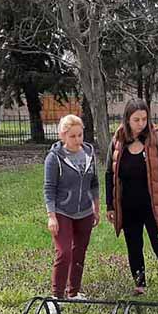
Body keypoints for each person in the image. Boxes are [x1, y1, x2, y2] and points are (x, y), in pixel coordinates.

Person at [105, 99, 158, 302]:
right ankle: (140, 287)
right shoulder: (117, 142)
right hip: (128, 207)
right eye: (136, 119)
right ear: (127, 120)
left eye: (144, 119)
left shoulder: (156, 141)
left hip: (153, 207)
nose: (141, 123)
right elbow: (108, 174)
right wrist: (110, 205)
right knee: (134, 247)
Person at [44, 114, 100, 299]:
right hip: (62, 211)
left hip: (84, 211)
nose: (78, 140)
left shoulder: (89, 154)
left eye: (80, 135)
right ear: (63, 136)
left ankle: (73, 292)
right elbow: (49, 188)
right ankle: (57, 296)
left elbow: (94, 183)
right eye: (73, 136)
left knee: (79, 252)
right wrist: (51, 215)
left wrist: (96, 208)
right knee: (64, 252)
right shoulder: (54, 158)